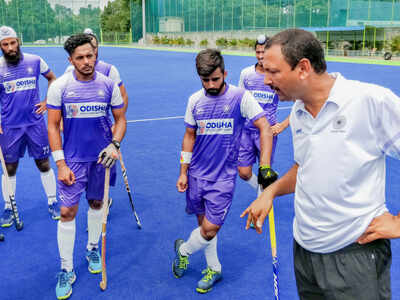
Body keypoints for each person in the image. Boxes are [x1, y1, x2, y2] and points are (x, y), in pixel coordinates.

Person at [241, 28, 400, 300]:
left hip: (353, 254)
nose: (265, 80)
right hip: (305, 253)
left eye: (273, 72)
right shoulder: (298, 111)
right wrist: (271, 191)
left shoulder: (370, 101)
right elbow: (305, 166)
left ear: (303, 68)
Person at [174, 49, 277, 293]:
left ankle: (183, 250)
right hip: (197, 175)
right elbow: (189, 136)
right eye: (205, 80)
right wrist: (183, 171)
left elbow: (264, 127)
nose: (210, 84)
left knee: (210, 229)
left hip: (223, 178)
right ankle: (214, 268)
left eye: (215, 79)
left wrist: (264, 166)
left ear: (225, 74)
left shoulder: (240, 97)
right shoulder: (194, 101)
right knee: (204, 227)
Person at [47, 34, 126, 300]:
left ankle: (92, 248)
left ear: (95, 55)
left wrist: (114, 145)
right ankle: (66, 269)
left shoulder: (107, 84)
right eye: (80, 57)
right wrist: (60, 163)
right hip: (72, 160)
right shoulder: (60, 86)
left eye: (89, 56)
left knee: (96, 205)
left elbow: (120, 119)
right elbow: (52, 126)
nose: (86, 61)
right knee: (67, 211)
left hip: (102, 160)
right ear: (70, 60)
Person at [0, 25, 59, 226]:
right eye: (5, 44)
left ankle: (53, 202)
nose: (10, 47)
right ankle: (9, 207)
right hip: (10, 126)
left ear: (19, 42)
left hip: (35, 124)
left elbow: (53, 79)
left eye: (12, 42)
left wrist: (46, 101)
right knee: (9, 168)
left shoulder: (35, 61)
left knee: (43, 163)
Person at [237, 34, 289, 200]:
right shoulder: (246, 74)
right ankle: (266, 189)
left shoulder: (278, 76)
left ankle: (262, 198)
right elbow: (240, 102)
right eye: (258, 52)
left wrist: (282, 125)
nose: (260, 56)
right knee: (244, 173)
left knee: (263, 172)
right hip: (246, 131)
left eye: (264, 52)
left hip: (267, 133)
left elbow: (301, 103)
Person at [64, 28, 128, 114]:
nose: (92, 50)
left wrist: (118, 121)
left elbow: (123, 96)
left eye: (94, 47)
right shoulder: (70, 70)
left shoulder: (109, 70)